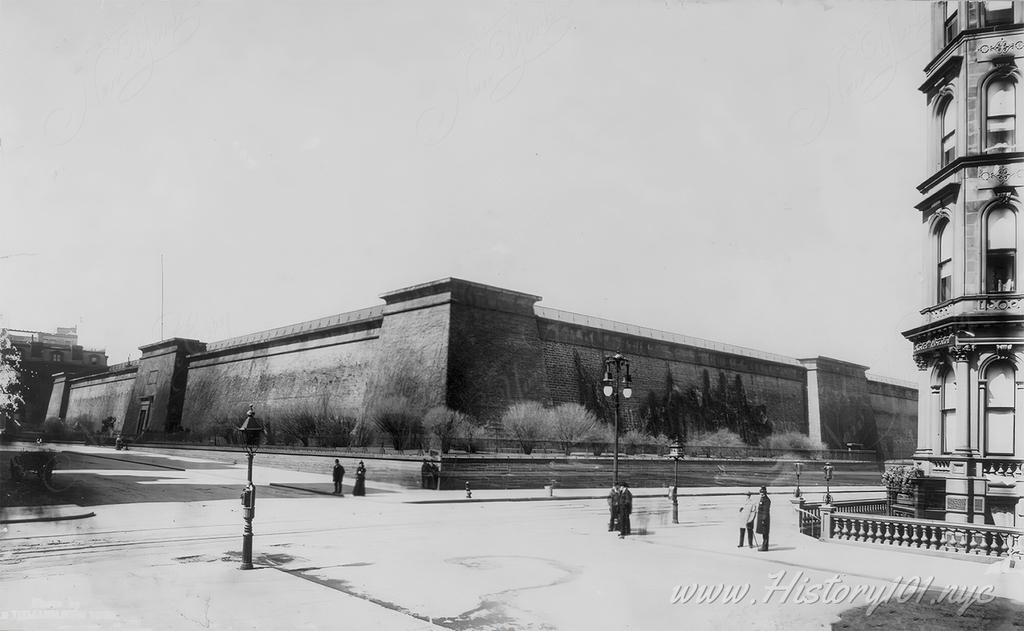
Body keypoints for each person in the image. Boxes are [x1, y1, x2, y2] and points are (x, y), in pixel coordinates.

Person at [755, 486, 771, 551]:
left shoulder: (767, 500)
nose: (761, 494)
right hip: (762, 518)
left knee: (765, 533)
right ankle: (764, 546)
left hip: (765, 519)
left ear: (765, 493)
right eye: (760, 492)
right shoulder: (762, 499)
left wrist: (764, 519)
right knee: (764, 533)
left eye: (762, 492)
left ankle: (765, 547)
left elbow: (766, 510)